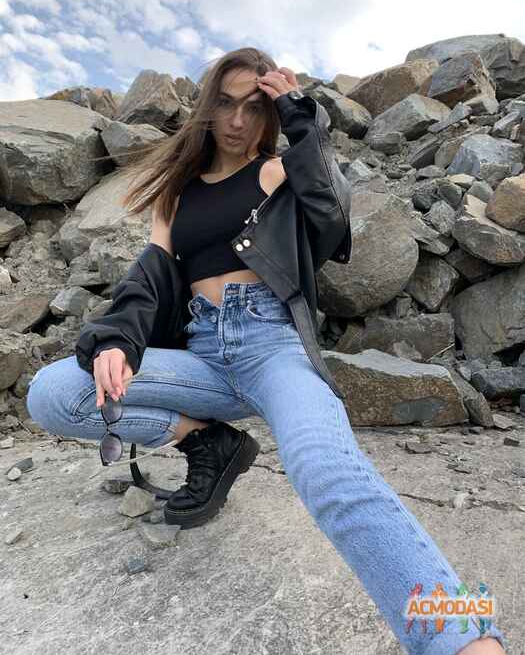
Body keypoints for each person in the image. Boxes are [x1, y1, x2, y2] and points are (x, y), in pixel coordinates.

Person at [26, 47, 507, 655]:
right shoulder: (176, 193)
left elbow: (333, 216)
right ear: (207, 107)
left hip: (272, 348)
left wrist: (301, 113)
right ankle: (207, 440)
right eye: (225, 103)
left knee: (326, 470)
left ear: (270, 111)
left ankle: (460, 636)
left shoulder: (281, 172)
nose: (236, 120)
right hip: (201, 355)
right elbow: (150, 276)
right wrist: (118, 339)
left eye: (254, 106)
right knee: (55, 394)